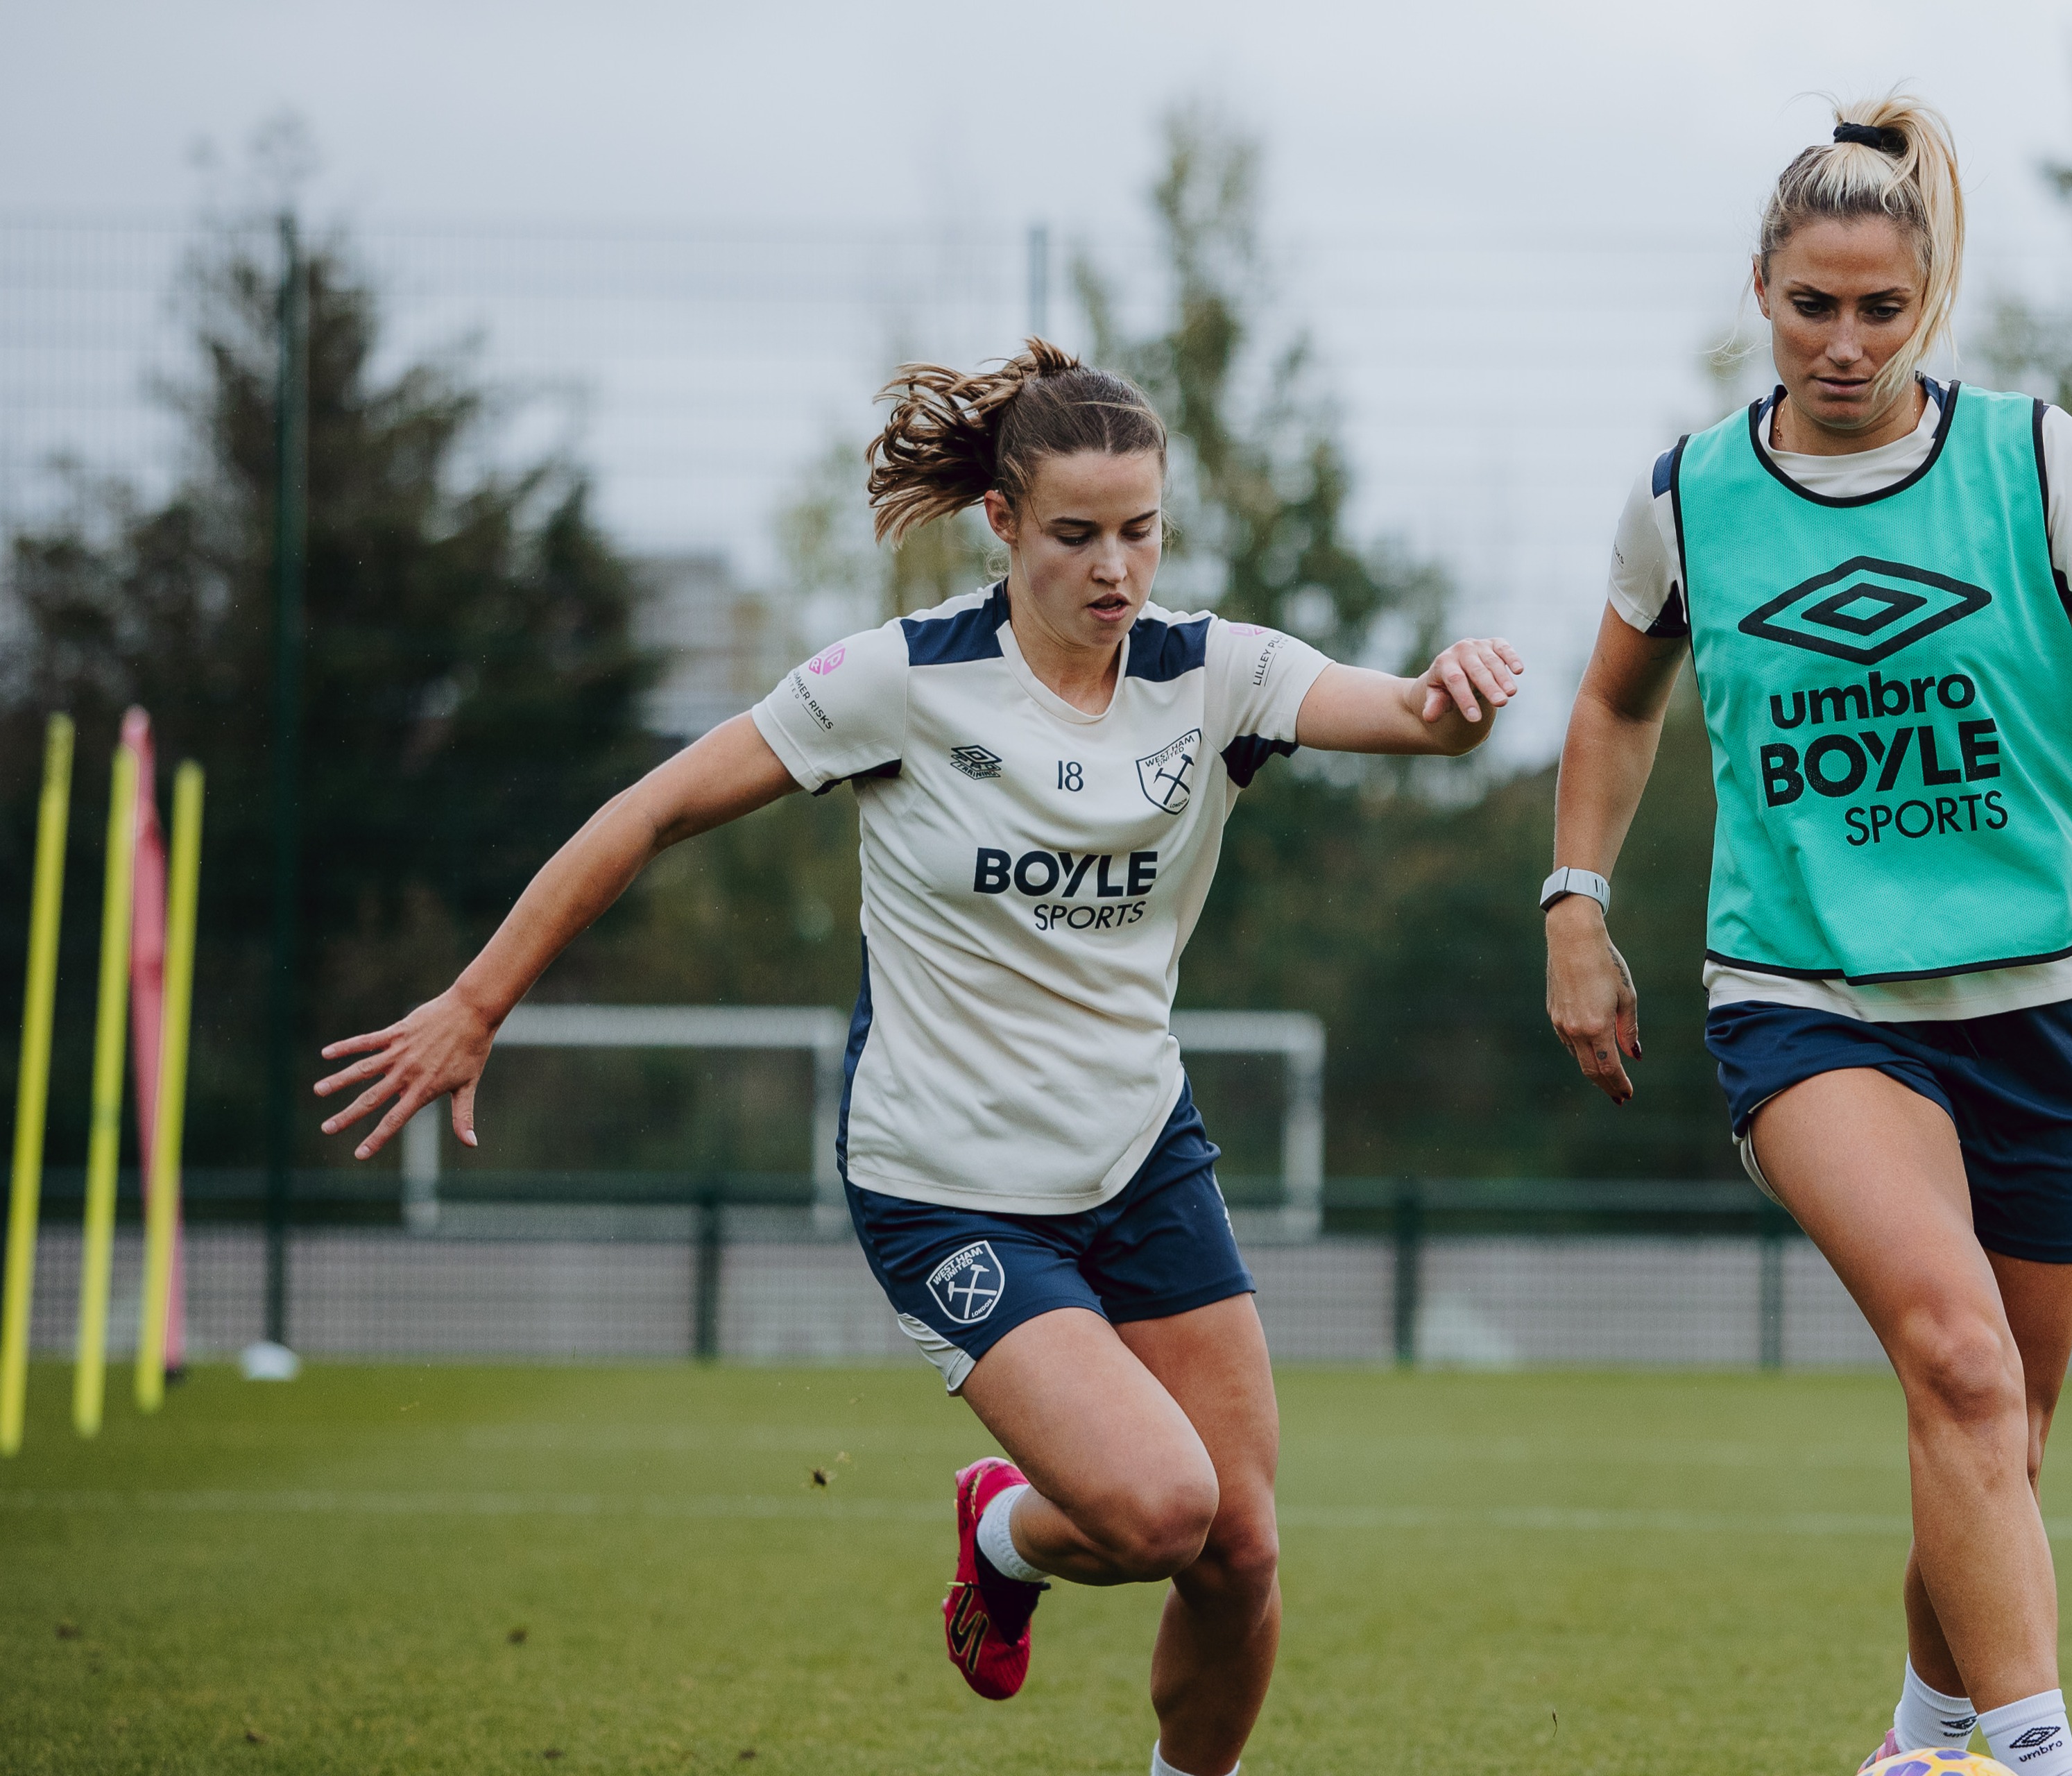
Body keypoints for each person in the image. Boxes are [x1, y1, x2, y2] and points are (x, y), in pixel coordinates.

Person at [311, 341, 1523, 1776]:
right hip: (947, 1184)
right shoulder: (899, 681)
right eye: (1075, 533)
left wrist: (1454, 696)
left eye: (1140, 529)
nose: (1114, 566)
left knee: (1240, 1543)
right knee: (1153, 1512)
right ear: (1001, 523)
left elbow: (1404, 718)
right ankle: (1004, 1524)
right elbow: (650, 809)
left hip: (1140, 1154)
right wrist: (476, 998)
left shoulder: (1213, 676)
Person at [1543, 97, 2072, 1776]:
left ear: (1925, 298)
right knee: (1955, 1351)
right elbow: (1610, 705)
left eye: (1880, 309)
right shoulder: (1693, 495)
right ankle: (2032, 1755)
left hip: (2038, 1003)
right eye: (1812, 305)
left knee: (2002, 1424)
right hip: (1807, 1002)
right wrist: (1576, 901)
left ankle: (1924, 1736)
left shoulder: (2029, 458)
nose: (1844, 342)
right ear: (1763, 291)